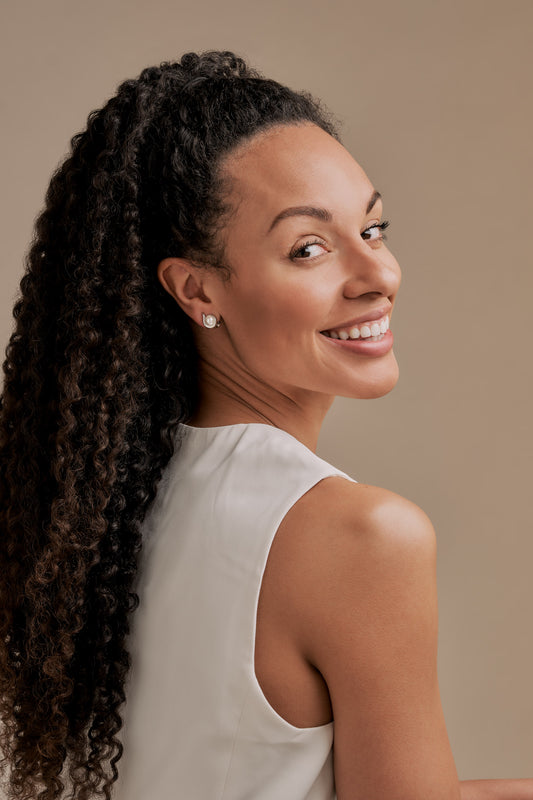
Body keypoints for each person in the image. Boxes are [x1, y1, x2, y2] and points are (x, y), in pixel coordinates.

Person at [0, 50, 531, 800]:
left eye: (373, 228)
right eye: (308, 248)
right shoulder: (361, 538)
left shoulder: (91, 514)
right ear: (195, 288)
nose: (377, 275)